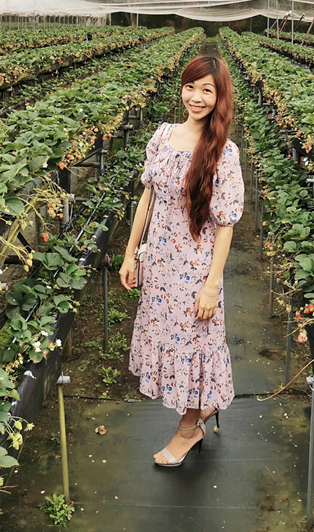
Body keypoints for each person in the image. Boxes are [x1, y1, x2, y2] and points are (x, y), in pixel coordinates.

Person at [119, 53, 244, 468]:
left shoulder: (224, 153)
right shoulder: (163, 135)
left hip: (195, 269)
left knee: (193, 342)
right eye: (191, 86)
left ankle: (188, 429)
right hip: (159, 263)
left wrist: (211, 284)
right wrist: (131, 252)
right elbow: (148, 197)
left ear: (219, 96)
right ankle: (200, 409)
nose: (196, 96)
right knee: (168, 335)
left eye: (207, 89)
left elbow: (225, 225)